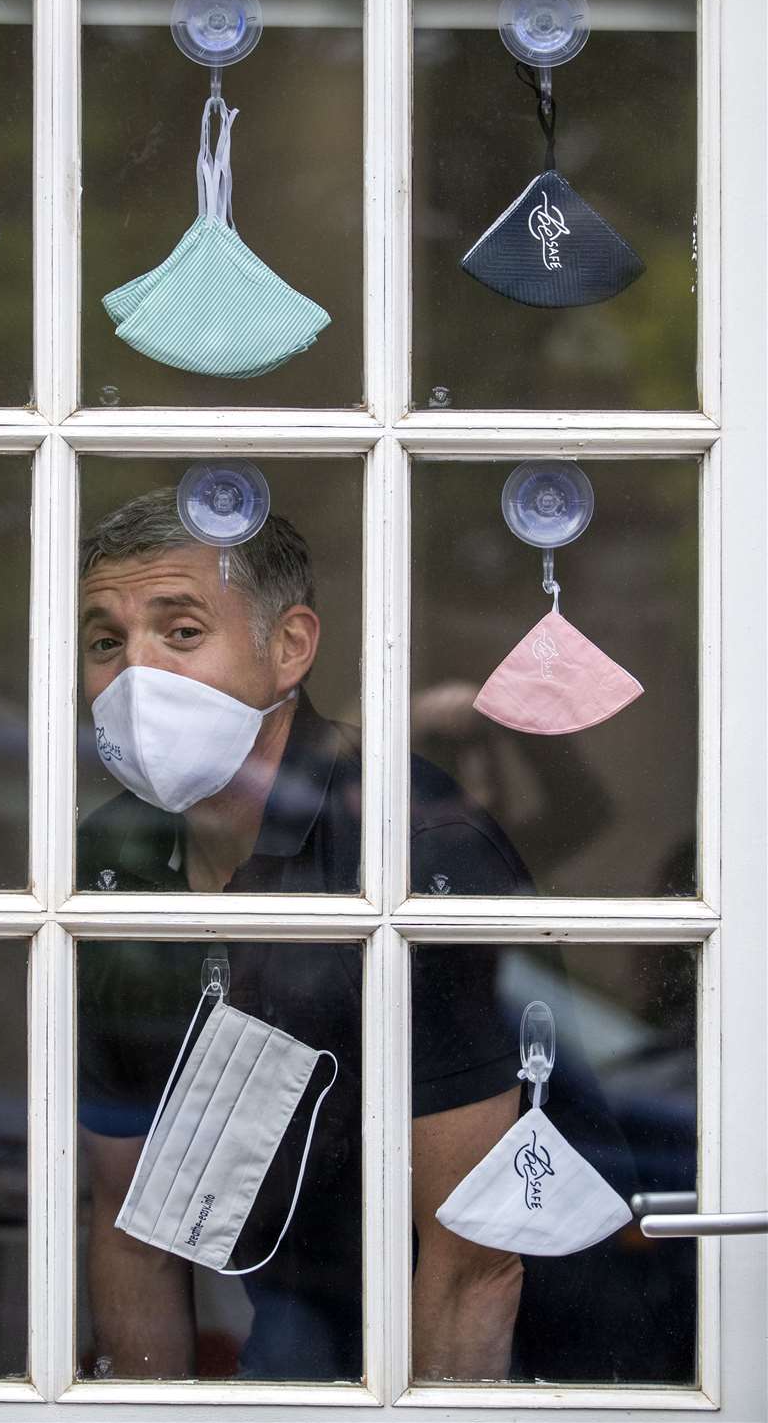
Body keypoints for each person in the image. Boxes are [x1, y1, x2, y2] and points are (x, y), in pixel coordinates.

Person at [75, 486, 533, 1382]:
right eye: (104, 641)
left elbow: (475, 1256)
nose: (136, 676)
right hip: (293, 1301)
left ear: (288, 648)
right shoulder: (113, 855)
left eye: (179, 632)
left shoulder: (417, 847)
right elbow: (127, 1212)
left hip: (516, 1337)